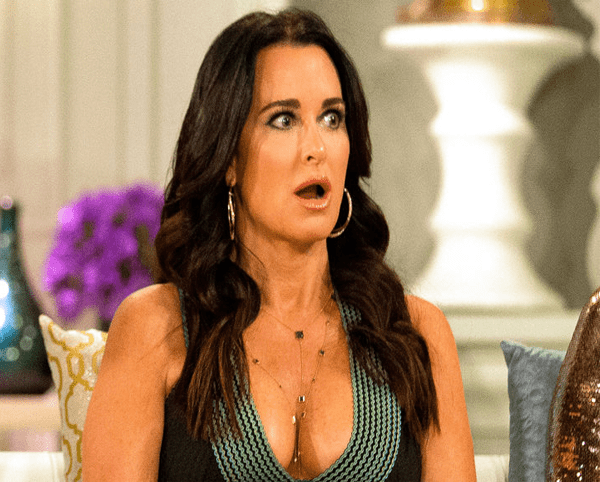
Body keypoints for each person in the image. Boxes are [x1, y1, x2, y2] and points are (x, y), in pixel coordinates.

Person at [82, 8, 476, 481]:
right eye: (284, 120)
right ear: (229, 158)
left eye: (332, 118)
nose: (316, 148)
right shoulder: (155, 327)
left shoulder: (417, 334)